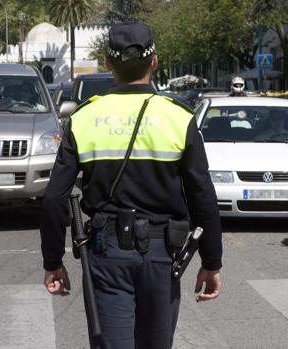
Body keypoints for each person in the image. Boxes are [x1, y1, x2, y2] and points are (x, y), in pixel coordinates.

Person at [40, 21, 223, 348]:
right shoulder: (178, 117)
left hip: (105, 253)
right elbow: (202, 196)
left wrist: (53, 261)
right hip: (161, 253)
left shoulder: (84, 118)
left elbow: (55, 197)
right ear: (154, 62)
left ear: (109, 64)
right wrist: (212, 263)